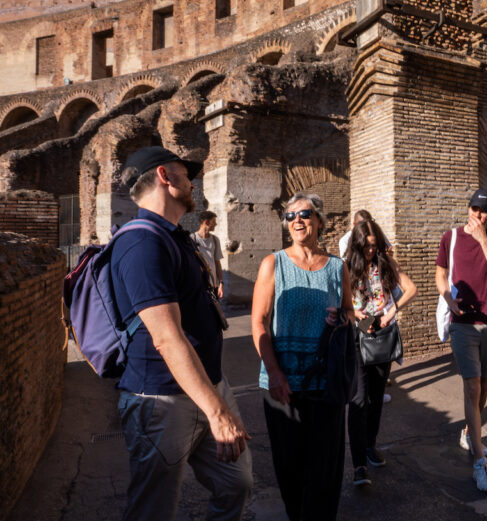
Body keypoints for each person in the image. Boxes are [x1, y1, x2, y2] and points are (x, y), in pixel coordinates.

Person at [112, 146, 253, 521]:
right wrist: (218, 411)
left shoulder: (174, 236)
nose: (191, 182)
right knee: (153, 509)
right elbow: (166, 337)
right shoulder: (141, 243)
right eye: (184, 173)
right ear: (164, 176)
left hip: (206, 386)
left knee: (235, 484)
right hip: (162, 400)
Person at [251, 192, 354, 521]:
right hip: (283, 384)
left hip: (326, 382)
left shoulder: (338, 267)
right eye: (290, 216)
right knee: (290, 466)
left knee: (326, 467)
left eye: (304, 214)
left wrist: (342, 316)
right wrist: (275, 372)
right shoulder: (273, 264)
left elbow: (350, 312)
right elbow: (259, 322)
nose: (296, 220)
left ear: (319, 221)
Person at [435, 187, 487, 492]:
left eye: (483, 212)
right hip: (463, 323)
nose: (477, 216)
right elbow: (440, 275)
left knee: (485, 384)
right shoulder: (450, 237)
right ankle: (480, 462)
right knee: (471, 384)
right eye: (473, 209)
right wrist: (447, 298)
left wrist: (483, 240)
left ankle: (471, 431)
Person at [345, 219, 418, 487]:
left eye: (374, 246)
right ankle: (358, 465)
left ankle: (370, 446)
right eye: (365, 246)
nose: (370, 251)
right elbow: (337, 303)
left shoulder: (386, 262)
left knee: (376, 397)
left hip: (383, 334)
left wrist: (392, 310)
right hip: (357, 335)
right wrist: (354, 313)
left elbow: (412, 289)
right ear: (356, 245)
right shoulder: (345, 266)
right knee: (359, 399)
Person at [192, 210, 225, 299]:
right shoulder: (192, 239)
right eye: (214, 222)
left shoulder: (215, 240)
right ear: (206, 222)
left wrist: (221, 283)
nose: (216, 224)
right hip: (197, 286)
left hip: (213, 286)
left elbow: (217, 263)